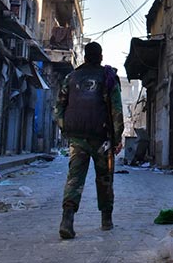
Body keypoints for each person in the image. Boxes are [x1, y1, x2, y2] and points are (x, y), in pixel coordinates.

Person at [54, 42, 125, 239]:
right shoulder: (108, 77)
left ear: (85, 56)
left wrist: (65, 129)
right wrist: (117, 137)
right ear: (101, 56)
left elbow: (58, 107)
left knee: (75, 178)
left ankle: (67, 219)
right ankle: (106, 220)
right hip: (102, 140)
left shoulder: (71, 77)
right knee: (104, 178)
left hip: (77, 139)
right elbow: (116, 110)